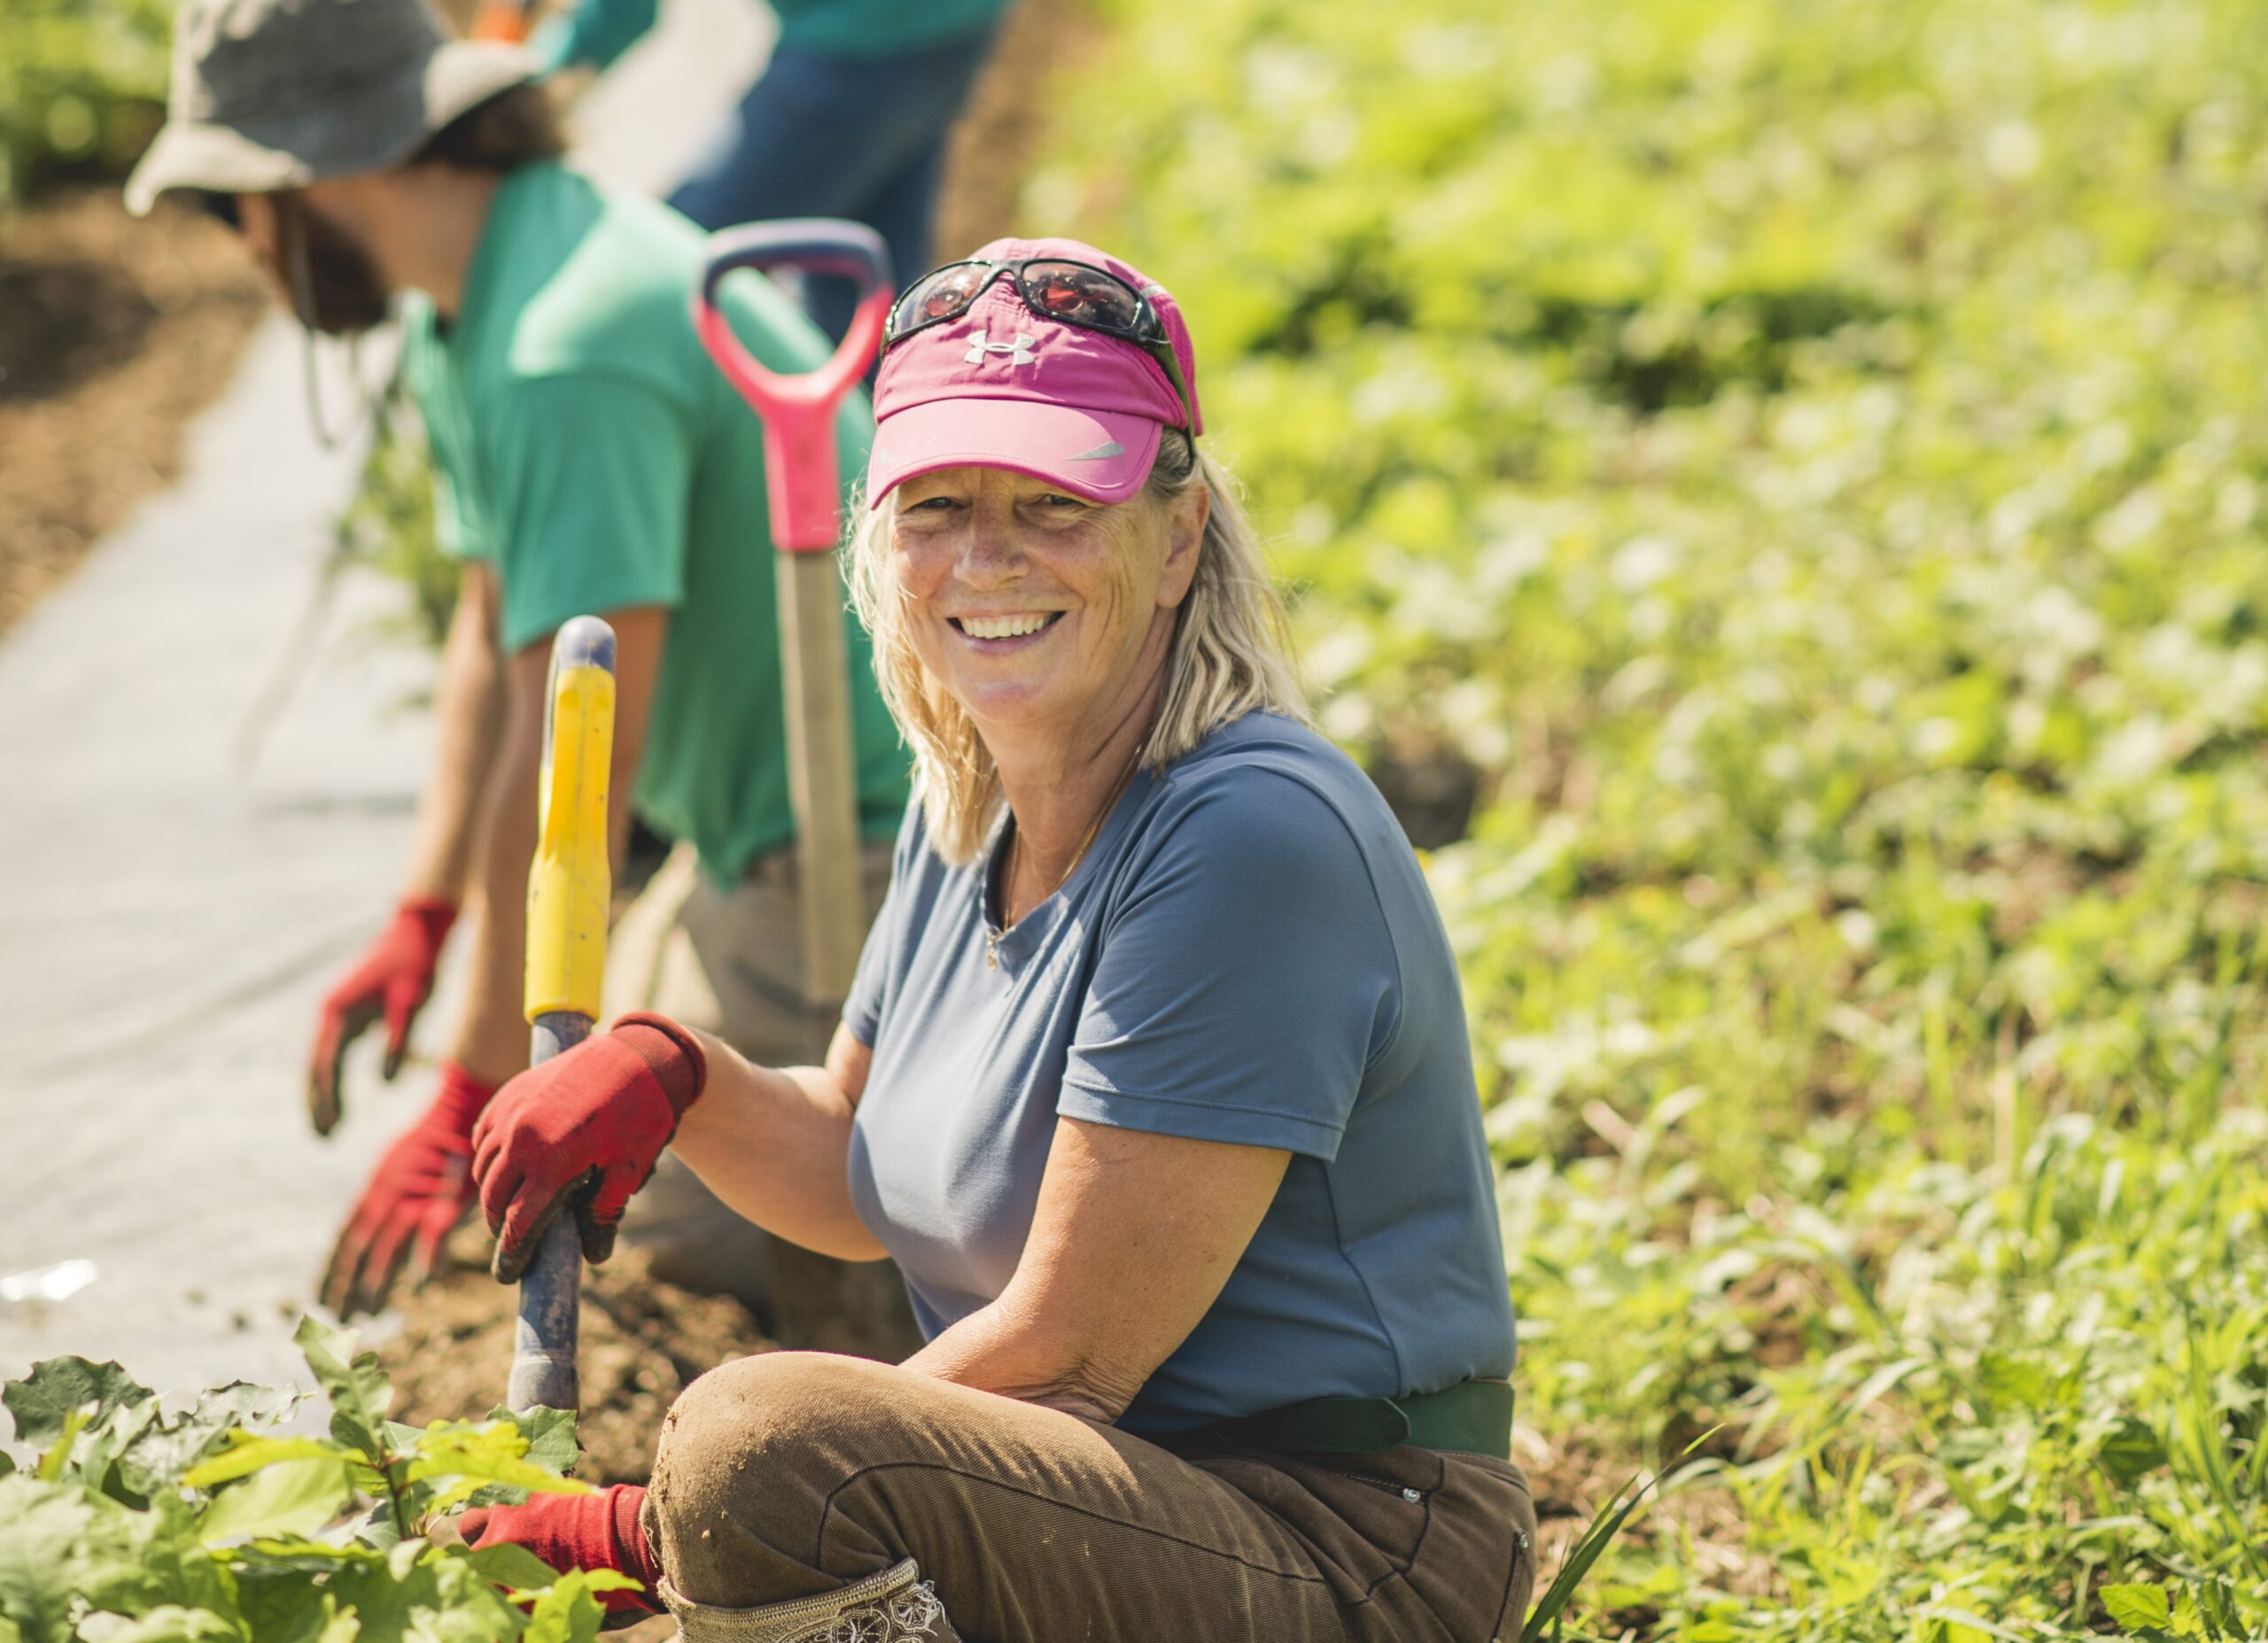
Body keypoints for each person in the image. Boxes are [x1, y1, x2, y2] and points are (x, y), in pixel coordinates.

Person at [456, 238, 1536, 1643]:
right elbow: (859, 1163)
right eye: (938, 506)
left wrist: (648, 1529)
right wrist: (674, 1075)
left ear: (1180, 536)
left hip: (1341, 1543)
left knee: (756, 1436)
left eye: (1053, 504)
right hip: (1105, 1510)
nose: (985, 556)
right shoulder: (968, 799)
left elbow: (1068, 1355)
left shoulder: (1248, 837)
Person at [124, 0, 911, 1319]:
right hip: (749, 837)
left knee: (626, 1238)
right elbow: (494, 643)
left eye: (233, 208)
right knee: (584, 1130)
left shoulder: (563, 350)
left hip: (865, 856)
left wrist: (471, 1087)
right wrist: (425, 912)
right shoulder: (485, 292)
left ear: (319, 169)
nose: (248, 251)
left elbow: (578, 758)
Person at [539, 0, 1009, 342]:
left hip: (862, 36)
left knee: (673, 269)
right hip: (953, 24)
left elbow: (620, 13)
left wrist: (527, 94)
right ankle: (877, 440)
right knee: (864, 293)